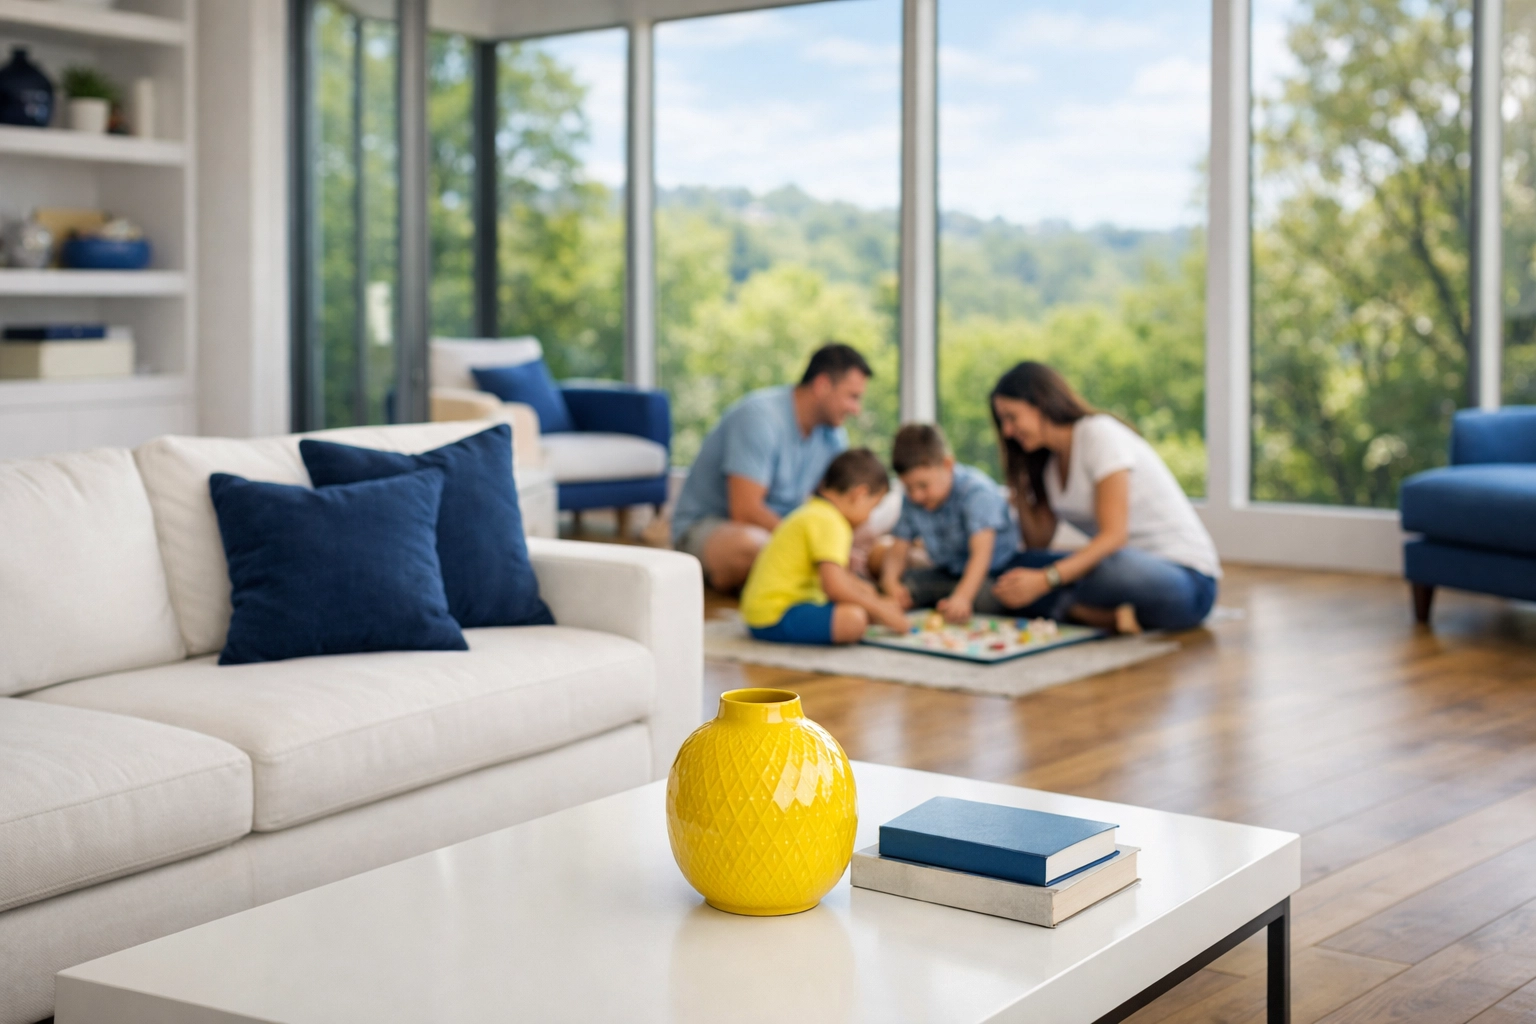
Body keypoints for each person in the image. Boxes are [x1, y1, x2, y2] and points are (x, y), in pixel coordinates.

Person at [987, 361, 1220, 633]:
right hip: (1112, 572)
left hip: (1186, 582)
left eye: (1011, 417)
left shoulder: (1098, 433)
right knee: (1011, 567)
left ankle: (1074, 610)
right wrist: (1020, 480)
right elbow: (1039, 542)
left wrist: (1045, 581)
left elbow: (1114, 537)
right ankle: (1105, 616)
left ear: (1040, 402)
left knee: (1111, 565)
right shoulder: (1048, 465)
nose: (1007, 431)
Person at [671, 343, 872, 592]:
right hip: (713, 527)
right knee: (751, 546)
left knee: (869, 541)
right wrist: (812, 547)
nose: (856, 409)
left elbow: (833, 507)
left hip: (783, 530)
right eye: (852, 397)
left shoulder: (834, 437)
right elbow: (744, 511)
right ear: (822, 385)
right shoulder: (759, 417)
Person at [739, 449, 910, 645]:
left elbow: (840, 576)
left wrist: (871, 596)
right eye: (873, 507)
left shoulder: (816, 511)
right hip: (775, 615)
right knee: (854, 619)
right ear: (859, 495)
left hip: (765, 612)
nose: (869, 517)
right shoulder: (832, 522)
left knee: (864, 601)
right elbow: (835, 587)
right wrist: (879, 610)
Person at [879, 423, 1017, 623]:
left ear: (947, 465)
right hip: (947, 573)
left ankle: (952, 602)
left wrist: (962, 597)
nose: (916, 495)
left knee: (986, 598)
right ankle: (945, 602)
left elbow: (981, 555)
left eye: (923, 486)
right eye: (909, 488)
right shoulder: (912, 500)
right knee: (904, 584)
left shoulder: (976, 493)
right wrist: (890, 582)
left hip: (990, 574)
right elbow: (899, 547)